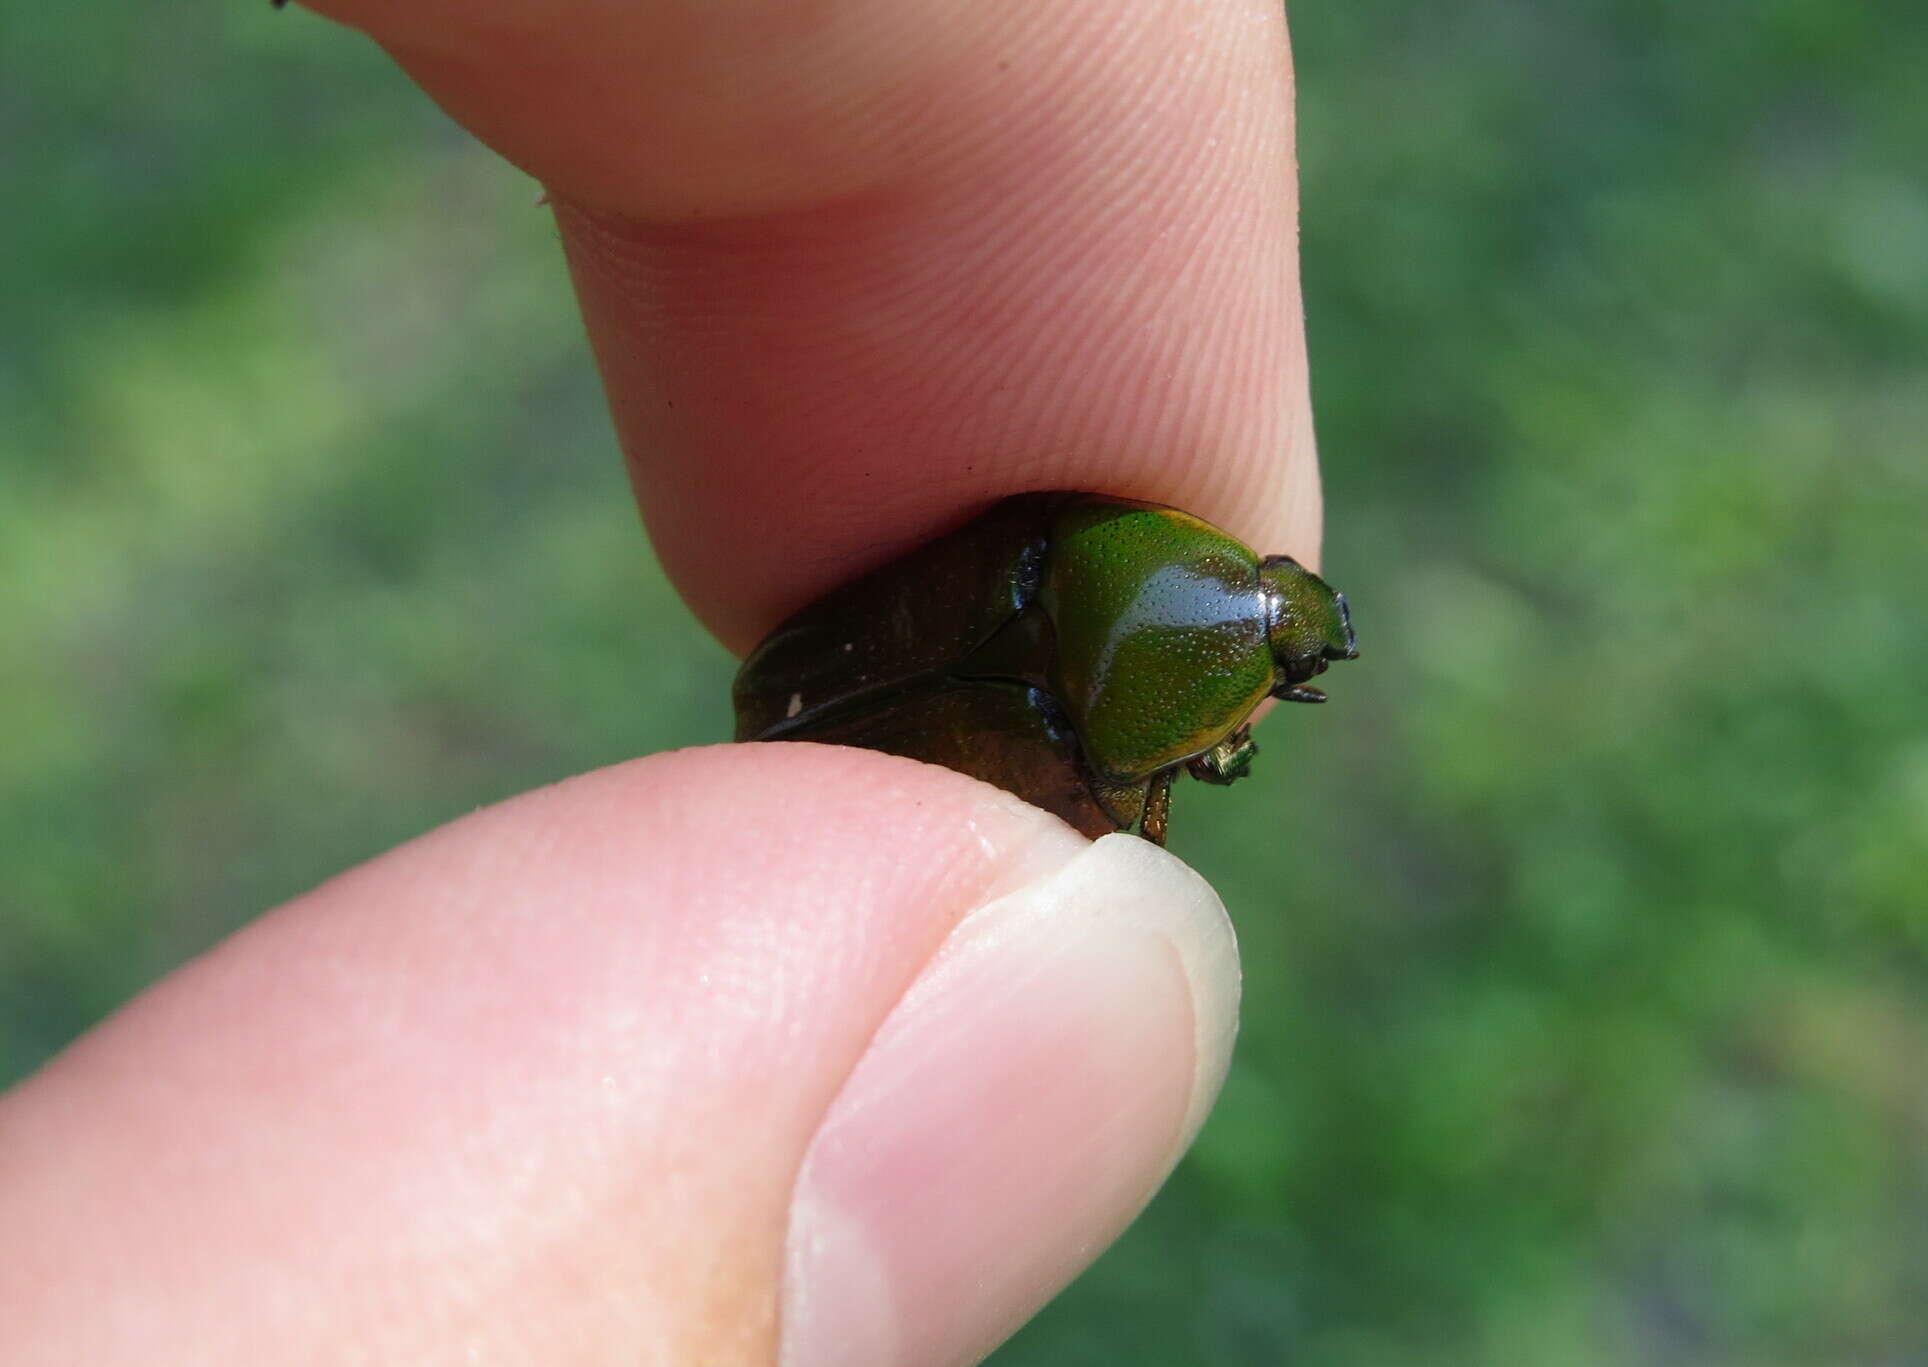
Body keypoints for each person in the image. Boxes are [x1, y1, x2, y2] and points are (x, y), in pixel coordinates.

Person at [0, 0, 1327, 1361]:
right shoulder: (1097, 685)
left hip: (884, 709)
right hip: (885, 746)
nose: (1281, 624)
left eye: (1268, 628)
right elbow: (1128, 775)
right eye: (1278, 626)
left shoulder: (1078, 564)